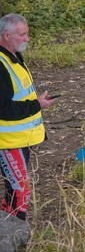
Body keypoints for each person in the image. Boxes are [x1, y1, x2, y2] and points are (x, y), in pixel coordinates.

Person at [0, 14, 56, 221]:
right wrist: (36, 106)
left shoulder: (13, 56)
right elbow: (3, 109)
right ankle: (13, 241)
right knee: (20, 193)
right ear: (6, 36)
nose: (27, 39)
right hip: (7, 143)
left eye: (27, 34)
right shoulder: (1, 64)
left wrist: (37, 102)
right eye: (22, 35)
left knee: (15, 193)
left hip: (20, 139)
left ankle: (8, 232)